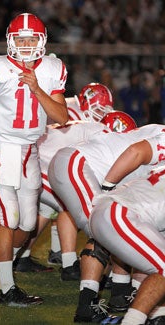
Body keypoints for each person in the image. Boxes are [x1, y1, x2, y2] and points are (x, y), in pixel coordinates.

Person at [0, 12, 68, 308]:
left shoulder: (53, 69)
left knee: (30, 223)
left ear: (42, 41)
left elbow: (61, 117)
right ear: (10, 41)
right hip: (3, 148)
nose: (24, 44)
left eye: (30, 39)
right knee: (8, 218)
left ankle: (3, 260)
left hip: (30, 149)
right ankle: (7, 289)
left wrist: (37, 89)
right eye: (19, 39)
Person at [0, 82, 114, 277]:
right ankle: (67, 263)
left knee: (43, 210)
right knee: (68, 206)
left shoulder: (89, 123)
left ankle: (20, 255)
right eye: (99, 108)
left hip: (38, 158)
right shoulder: (95, 127)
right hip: (34, 157)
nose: (101, 113)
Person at [47, 120, 165, 323]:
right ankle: (89, 304)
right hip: (80, 166)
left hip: (80, 167)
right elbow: (136, 151)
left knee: (125, 236)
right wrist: (108, 188)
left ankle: (121, 295)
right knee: (103, 232)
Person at [90, 136, 165, 325]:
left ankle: (157, 315)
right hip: (119, 214)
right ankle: (132, 322)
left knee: (159, 261)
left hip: (112, 211)